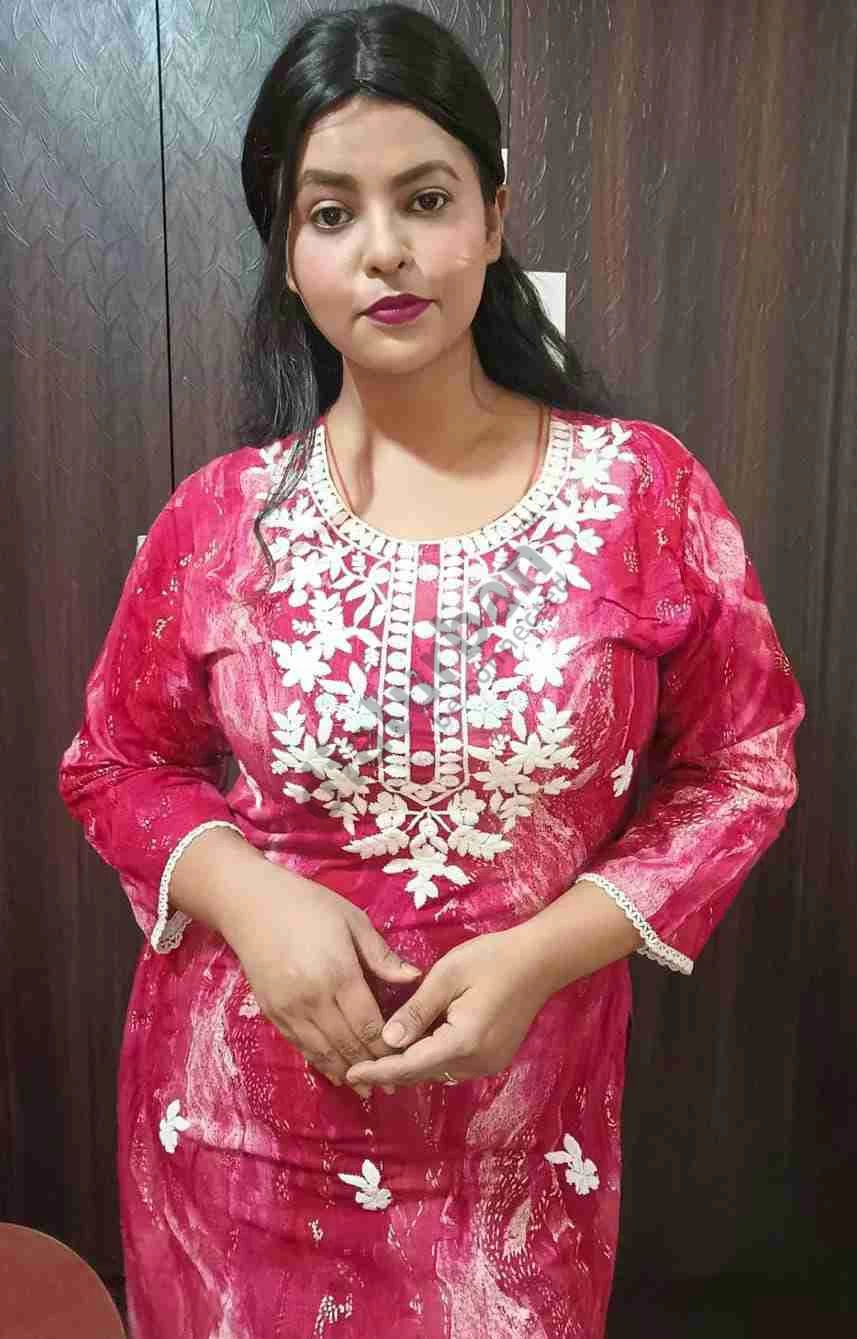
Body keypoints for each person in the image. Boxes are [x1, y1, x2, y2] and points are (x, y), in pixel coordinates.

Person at [57, 5, 804, 1336]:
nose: (385, 248)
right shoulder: (221, 520)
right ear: (288, 259)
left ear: (494, 219)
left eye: (426, 198)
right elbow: (116, 761)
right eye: (329, 213)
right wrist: (249, 897)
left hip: (516, 1152)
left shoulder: (642, 493)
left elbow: (743, 762)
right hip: (237, 1142)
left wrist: (547, 952)